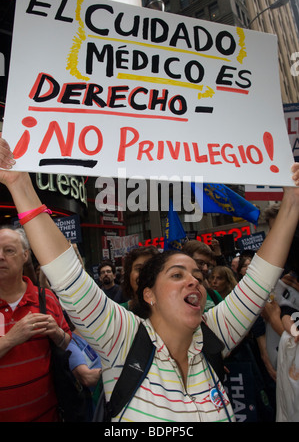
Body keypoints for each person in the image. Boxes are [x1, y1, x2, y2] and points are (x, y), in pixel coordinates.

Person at [0, 138, 298, 422]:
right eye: (177, 275)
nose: (194, 281)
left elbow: (261, 276)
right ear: (148, 295)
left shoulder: (213, 335)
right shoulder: (121, 338)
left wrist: (293, 201)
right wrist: (20, 185)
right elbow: (66, 272)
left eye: (197, 274)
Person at [0, 224, 72, 422]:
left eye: (9, 251)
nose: (0, 256)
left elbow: (66, 342)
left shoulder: (46, 299)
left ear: (25, 256)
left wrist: (56, 332)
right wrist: (10, 339)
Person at [182, 240, 223, 310]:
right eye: (200, 263)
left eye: (208, 264)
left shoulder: (213, 295)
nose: (205, 268)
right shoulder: (174, 295)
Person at [120, 245, 159, 311]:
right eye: (139, 269)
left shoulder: (173, 311)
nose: (144, 274)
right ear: (129, 274)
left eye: (150, 268)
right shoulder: (118, 313)